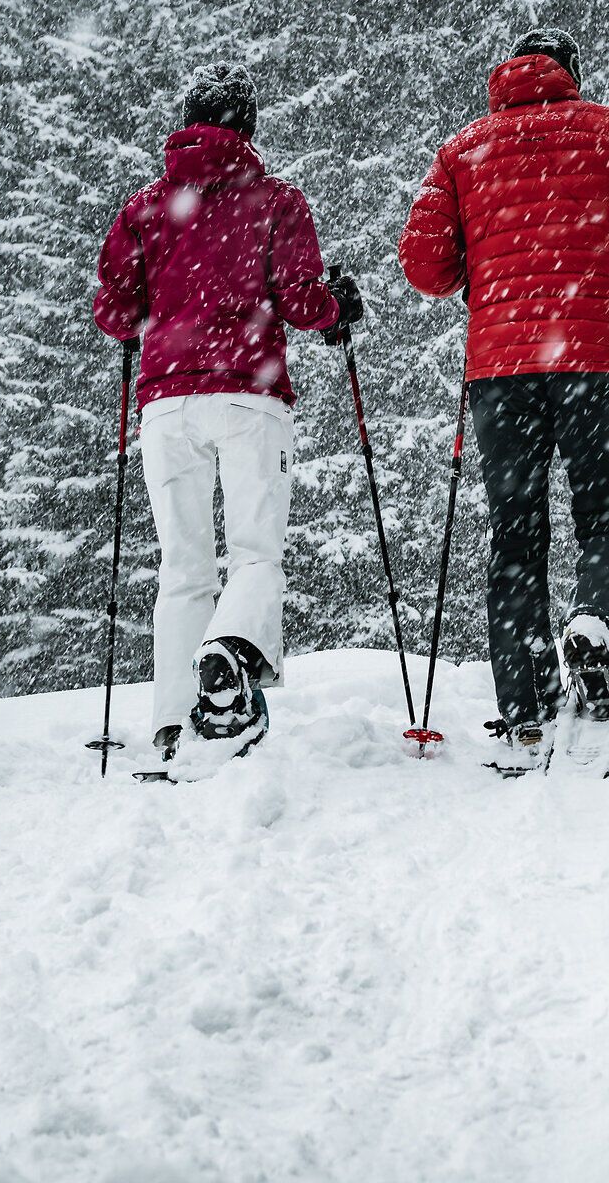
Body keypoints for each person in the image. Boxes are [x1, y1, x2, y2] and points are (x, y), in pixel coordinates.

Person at [398, 28, 609, 773]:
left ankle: (523, 707)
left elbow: (424, 266)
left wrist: (475, 267)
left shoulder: (463, 151)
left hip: (500, 373)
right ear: (570, 75)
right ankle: (595, 626)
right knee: (606, 519)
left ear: (508, 77)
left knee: (515, 539)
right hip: (595, 362)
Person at [95, 62, 362, 767]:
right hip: (249, 396)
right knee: (255, 552)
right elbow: (304, 304)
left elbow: (113, 312)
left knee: (183, 566)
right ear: (248, 126)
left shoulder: (146, 206)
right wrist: (339, 306)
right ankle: (230, 652)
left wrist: (151, 311)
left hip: (165, 406)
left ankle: (174, 723)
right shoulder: (276, 200)